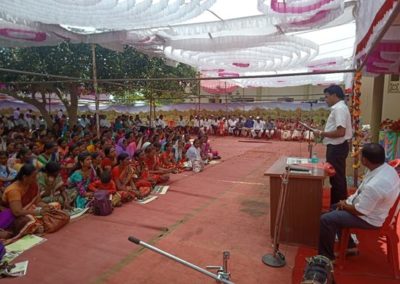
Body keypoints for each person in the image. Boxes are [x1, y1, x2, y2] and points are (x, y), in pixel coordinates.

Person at [318, 143, 400, 261]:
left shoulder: (375, 186)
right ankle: (349, 246)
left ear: (365, 160)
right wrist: (345, 203)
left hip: (369, 218)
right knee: (333, 208)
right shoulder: (385, 168)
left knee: (326, 219)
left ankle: (325, 258)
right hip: (374, 209)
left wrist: (344, 205)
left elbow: (360, 211)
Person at [315, 85, 352, 205]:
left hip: (337, 147)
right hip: (336, 147)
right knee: (336, 178)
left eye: (326, 97)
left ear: (334, 95)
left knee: (337, 179)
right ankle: (337, 206)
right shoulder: (340, 108)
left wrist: (321, 133)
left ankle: (338, 207)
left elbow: (340, 132)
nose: (325, 100)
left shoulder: (339, 109)